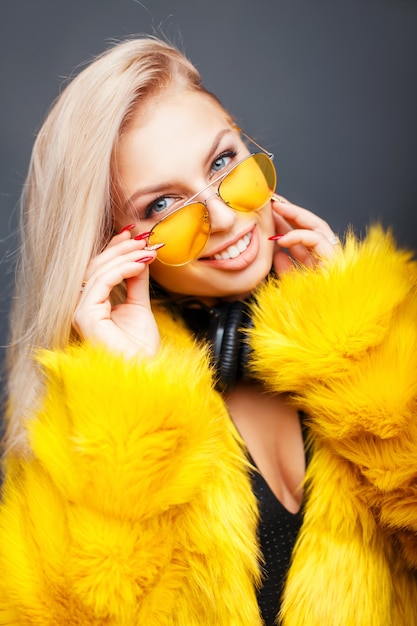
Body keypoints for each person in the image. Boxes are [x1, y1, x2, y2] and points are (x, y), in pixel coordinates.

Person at [1, 36, 417, 626]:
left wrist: (360, 343)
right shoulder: (84, 427)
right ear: (110, 248)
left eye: (223, 162)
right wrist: (129, 404)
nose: (223, 217)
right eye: (163, 206)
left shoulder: (383, 337)